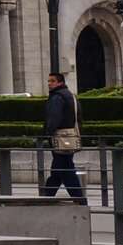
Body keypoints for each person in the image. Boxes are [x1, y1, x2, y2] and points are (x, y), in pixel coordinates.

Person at [40, 72, 85, 203]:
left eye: (52, 81)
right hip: (70, 137)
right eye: (48, 81)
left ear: (60, 82)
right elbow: (79, 118)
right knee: (62, 168)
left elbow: (54, 118)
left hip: (60, 138)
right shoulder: (71, 96)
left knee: (63, 168)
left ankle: (79, 199)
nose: (49, 83)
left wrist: (47, 133)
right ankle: (47, 196)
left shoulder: (57, 97)